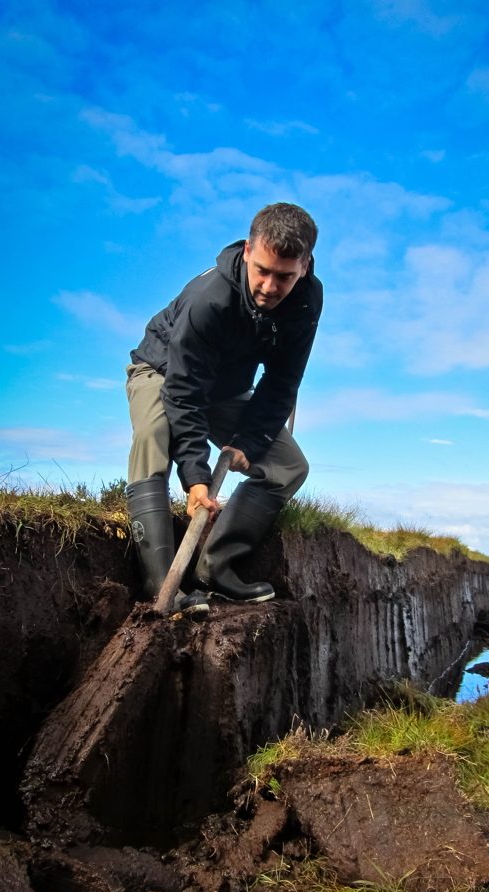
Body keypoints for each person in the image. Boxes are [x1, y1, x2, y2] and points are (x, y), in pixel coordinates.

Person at [125, 203, 323, 611]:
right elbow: (183, 393)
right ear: (248, 251)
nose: (269, 286)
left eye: (284, 276)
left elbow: (283, 381)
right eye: (263, 270)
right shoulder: (208, 299)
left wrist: (248, 442)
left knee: (289, 467)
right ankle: (162, 584)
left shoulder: (307, 301)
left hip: (228, 390)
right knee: (153, 436)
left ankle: (215, 567)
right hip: (162, 370)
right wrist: (196, 478)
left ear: (304, 266)